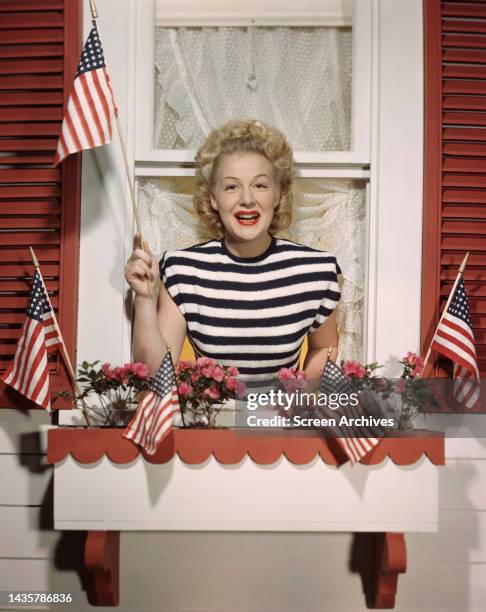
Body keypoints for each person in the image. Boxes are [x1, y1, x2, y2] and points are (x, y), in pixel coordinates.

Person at [124, 119, 340, 380]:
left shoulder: (316, 271)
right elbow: (155, 373)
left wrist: (298, 398)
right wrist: (145, 300)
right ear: (214, 198)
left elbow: (323, 346)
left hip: (279, 419)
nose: (247, 199)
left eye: (260, 185)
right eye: (231, 187)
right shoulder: (183, 270)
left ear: (278, 193)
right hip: (208, 419)